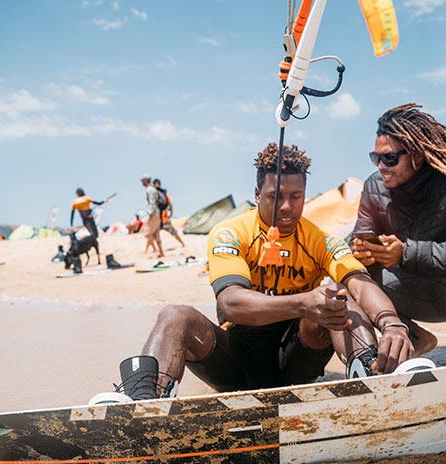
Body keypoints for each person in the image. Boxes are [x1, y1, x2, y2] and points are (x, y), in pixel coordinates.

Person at [97, 143, 424, 402]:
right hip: (236, 362)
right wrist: (302, 303)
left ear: (304, 197)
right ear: (257, 196)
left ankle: (370, 379)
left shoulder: (318, 238)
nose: (286, 207)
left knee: (342, 304)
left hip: (298, 359)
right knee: (174, 315)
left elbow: (360, 281)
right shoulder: (229, 232)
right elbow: (230, 304)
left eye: (295, 197)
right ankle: (144, 402)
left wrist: (391, 324)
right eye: (275, 196)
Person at [352, 103, 446, 364]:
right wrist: (364, 251)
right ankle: (416, 337)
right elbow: (363, 249)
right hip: (404, 289)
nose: (381, 166)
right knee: (347, 281)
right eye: (376, 158)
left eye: (389, 158)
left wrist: (406, 253)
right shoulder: (374, 187)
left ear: (417, 155)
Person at [152, 178, 185, 247]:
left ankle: (182, 243)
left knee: (154, 234)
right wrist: (171, 213)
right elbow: (170, 204)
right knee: (173, 232)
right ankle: (182, 244)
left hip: (160, 219)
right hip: (164, 218)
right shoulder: (163, 194)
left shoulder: (156, 194)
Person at [141, 175, 163, 258]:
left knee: (147, 234)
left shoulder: (149, 189)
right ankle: (161, 252)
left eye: (142, 180)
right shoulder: (153, 188)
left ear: (146, 180)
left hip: (153, 213)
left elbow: (152, 202)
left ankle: (155, 249)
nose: (141, 182)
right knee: (156, 233)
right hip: (157, 212)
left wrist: (150, 213)